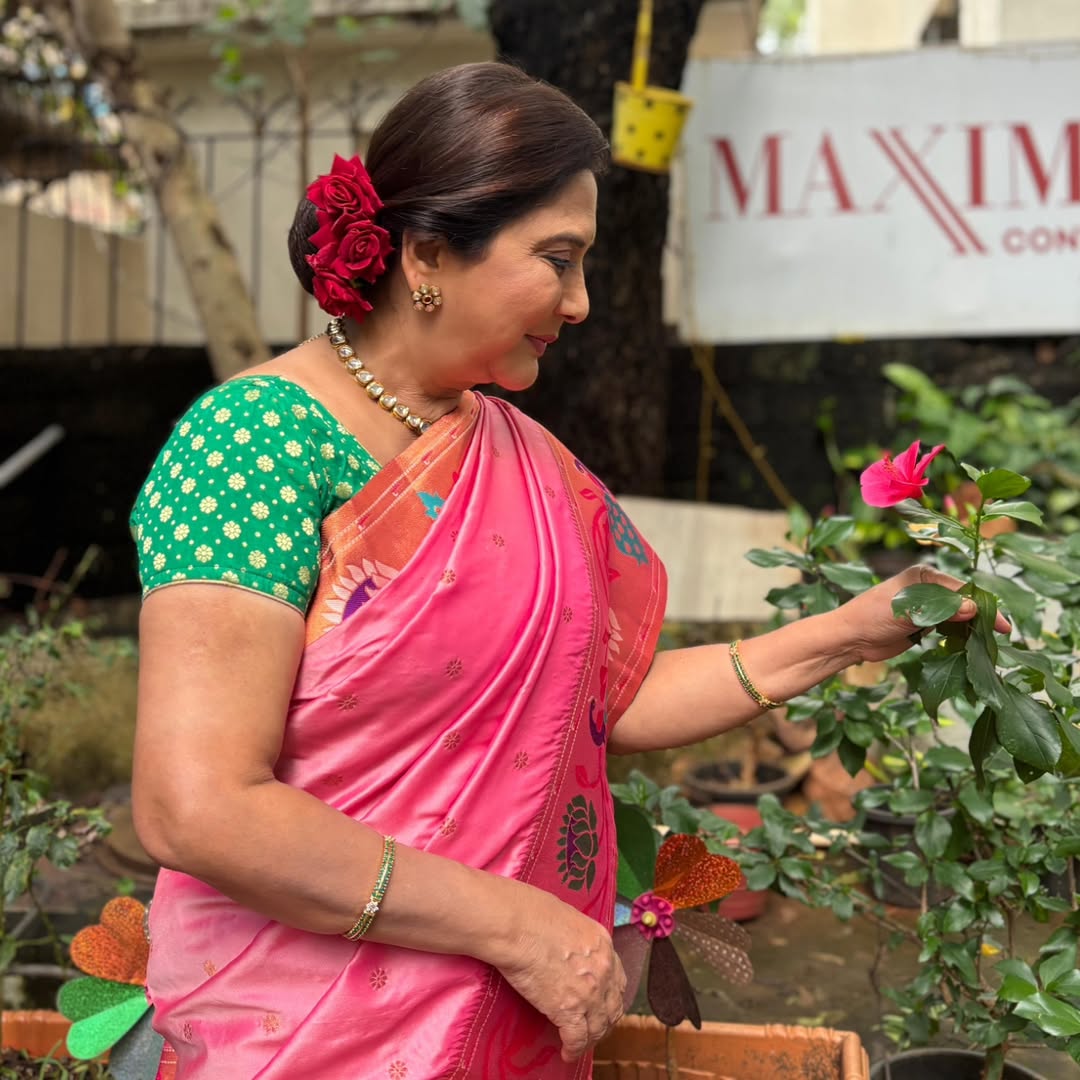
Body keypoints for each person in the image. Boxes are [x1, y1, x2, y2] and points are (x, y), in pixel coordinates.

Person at [129, 61, 1006, 1079]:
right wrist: (514, 925)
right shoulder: (256, 443)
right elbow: (199, 805)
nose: (581, 302)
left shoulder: (522, 459)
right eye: (558, 259)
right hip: (302, 1029)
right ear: (426, 252)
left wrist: (854, 630)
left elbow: (602, 702)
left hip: (510, 1011)